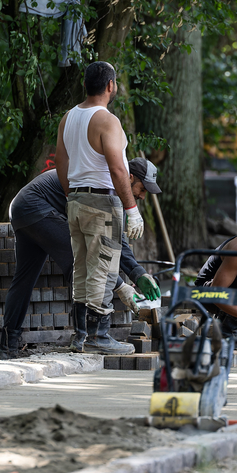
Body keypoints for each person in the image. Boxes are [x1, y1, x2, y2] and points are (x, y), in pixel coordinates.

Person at [0, 158, 163, 359]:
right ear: (129, 177)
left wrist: (139, 274)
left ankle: (6, 348)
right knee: (80, 261)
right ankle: (85, 338)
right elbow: (98, 252)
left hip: (21, 207)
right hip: (36, 206)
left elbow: (116, 240)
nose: (142, 197)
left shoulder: (106, 184)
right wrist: (121, 286)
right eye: (142, 189)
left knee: (24, 280)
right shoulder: (105, 189)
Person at [55, 61, 146, 354]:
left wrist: (72, 195)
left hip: (76, 201)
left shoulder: (68, 118)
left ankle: (80, 335)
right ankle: (99, 336)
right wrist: (132, 210)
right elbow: (119, 170)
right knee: (103, 269)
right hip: (102, 201)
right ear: (110, 85)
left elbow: (61, 161)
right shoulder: (107, 121)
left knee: (81, 268)